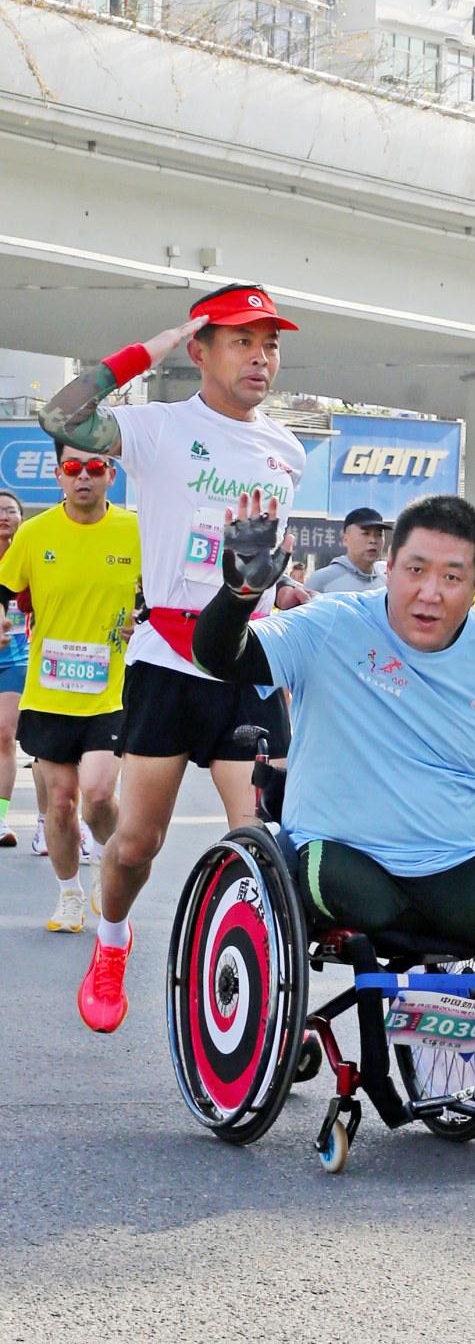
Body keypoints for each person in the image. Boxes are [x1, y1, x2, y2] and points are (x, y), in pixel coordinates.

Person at [192, 491, 475, 993]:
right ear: (389, 568)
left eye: (452, 578)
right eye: (415, 570)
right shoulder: (332, 623)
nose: (430, 593)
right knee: (361, 902)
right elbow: (220, 657)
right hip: (339, 851)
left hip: (448, 860)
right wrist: (239, 595)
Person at [38, 281, 305, 1031]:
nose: (261, 357)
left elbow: (265, 565)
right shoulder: (156, 428)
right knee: (135, 844)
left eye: (270, 344)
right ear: (202, 350)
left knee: (266, 839)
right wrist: (149, 349)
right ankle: (112, 940)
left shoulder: (287, 451)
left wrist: (278, 587)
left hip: (247, 660)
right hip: (166, 662)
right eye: (242, 341)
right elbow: (60, 417)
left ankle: (263, 987)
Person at [0, 445, 140, 932]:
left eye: (95, 468)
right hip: (49, 691)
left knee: (99, 794)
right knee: (61, 803)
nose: (84, 477)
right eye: (73, 468)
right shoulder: (35, 533)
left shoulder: (134, 530)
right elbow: (4, 586)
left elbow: (162, 596)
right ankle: (69, 895)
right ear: (59, 475)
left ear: (110, 475)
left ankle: (106, 865)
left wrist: (142, 621)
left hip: (111, 690)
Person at [0, 491, 29, 846]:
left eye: (10, 511)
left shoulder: (31, 555)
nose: (4, 516)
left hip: (18, 659)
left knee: (4, 734)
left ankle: (0, 815)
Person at [305, 508, 390, 593]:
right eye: (365, 534)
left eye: (379, 535)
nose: (373, 540)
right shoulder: (322, 580)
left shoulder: (387, 580)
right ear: (345, 539)